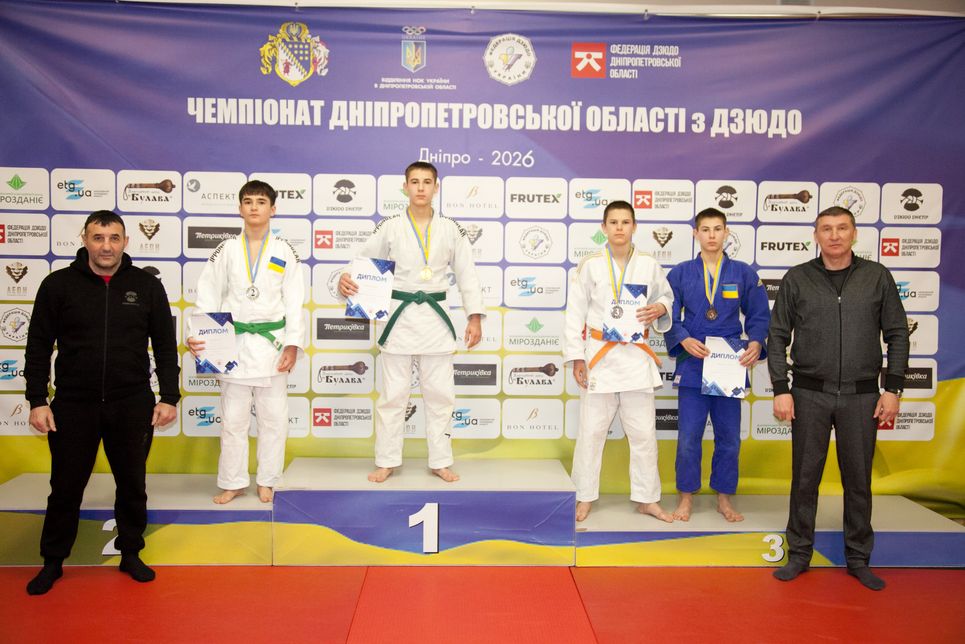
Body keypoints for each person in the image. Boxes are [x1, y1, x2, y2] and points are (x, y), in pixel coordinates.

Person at [23, 211, 180, 595]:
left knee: (132, 484)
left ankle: (130, 553)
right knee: (65, 486)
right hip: (74, 404)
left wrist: (169, 396)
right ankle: (53, 561)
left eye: (113, 238)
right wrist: (38, 400)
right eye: (98, 237)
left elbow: (164, 345)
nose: (106, 246)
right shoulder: (58, 285)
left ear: (125, 241)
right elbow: (38, 345)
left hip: (131, 403)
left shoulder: (146, 286)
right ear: (85, 239)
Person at [768, 206, 908, 591]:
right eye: (826, 229)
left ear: (854, 233)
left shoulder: (877, 276)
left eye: (842, 228)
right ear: (816, 236)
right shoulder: (797, 278)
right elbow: (777, 336)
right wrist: (781, 388)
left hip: (862, 397)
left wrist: (893, 389)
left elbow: (898, 333)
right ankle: (799, 554)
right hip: (808, 393)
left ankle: (858, 558)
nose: (834, 235)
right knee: (805, 479)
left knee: (858, 481)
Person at [338, 161, 484, 483]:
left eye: (426, 182)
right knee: (393, 397)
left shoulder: (451, 229)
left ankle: (440, 460)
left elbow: (468, 276)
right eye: (414, 182)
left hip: (435, 320)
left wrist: (474, 317)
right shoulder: (389, 227)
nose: (420, 188)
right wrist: (346, 278)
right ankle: (386, 460)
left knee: (440, 396)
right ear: (405, 187)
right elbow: (363, 262)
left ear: (436, 187)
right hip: (399, 317)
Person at [187, 180, 305, 504]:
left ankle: (268, 479)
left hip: (271, 345)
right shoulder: (226, 249)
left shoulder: (285, 250)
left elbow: (295, 301)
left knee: (273, 420)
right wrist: (200, 335)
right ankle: (233, 481)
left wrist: (292, 344)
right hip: (232, 345)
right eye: (248, 201)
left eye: (261, 202)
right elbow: (208, 294)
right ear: (240, 208)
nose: (254, 207)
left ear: (273, 209)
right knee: (233, 420)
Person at [563, 200, 674, 523]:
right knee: (591, 433)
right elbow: (574, 315)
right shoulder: (590, 265)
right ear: (604, 228)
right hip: (600, 357)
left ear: (634, 227)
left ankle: (647, 498)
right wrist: (576, 358)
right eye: (613, 222)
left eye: (625, 222)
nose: (619, 228)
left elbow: (666, 297)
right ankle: (584, 496)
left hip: (636, 357)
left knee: (643, 435)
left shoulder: (649, 264)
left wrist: (661, 308)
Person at [664, 208, 769, 522]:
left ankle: (724, 498)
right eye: (705, 229)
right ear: (695, 233)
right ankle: (685, 497)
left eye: (717, 229)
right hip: (694, 362)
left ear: (726, 232)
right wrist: (682, 338)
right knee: (688, 437)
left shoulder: (743, 273)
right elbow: (668, 314)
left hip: (728, 363)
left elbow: (759, 314)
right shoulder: (680, 273)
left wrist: (756, 341)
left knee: (729, 438)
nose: (712, 235)